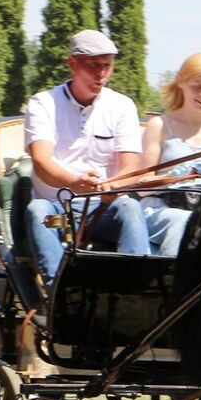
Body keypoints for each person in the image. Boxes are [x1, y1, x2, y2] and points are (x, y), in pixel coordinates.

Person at [24, 29, 149, 288]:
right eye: (93, 65)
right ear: (72, 63)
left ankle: (135, 289)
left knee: (130, 208)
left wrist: (113, 185)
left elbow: (130, 166)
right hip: (59, 213)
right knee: (37, 211)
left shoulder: (122, 106)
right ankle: (59, 291)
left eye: (107, 66)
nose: (101, 73)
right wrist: (74, 182)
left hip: (102, 210)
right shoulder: (42, 104)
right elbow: (42, 163)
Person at [138, 52, 201, 255]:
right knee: (185, 223)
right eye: (197, 87)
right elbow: (141, 185)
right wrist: (170, 178)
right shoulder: (159, 125)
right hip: (163, 209)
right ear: (181, 83)